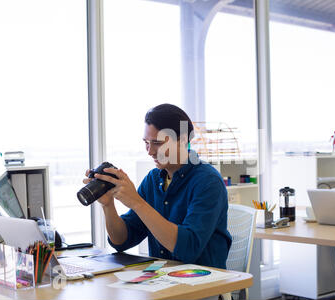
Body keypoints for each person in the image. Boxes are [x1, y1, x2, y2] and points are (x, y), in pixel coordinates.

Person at [83, 104, 232, 269]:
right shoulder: (153, 180)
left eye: (157, 143)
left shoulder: (208, 182)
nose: (150, 151)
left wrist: (137, 203)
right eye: (146, 142)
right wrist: (108, 205)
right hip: (161, 280)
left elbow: (188, 248)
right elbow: (121, 241)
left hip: (204, 285)